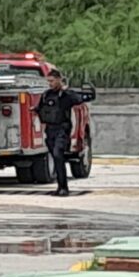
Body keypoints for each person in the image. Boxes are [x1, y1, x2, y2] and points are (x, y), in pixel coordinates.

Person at [34, 69, 87, 197]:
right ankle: (61, 187)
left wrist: (87, 94)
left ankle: (63, 187)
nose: (50, 84)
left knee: (58, 155)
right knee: (57, 159)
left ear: (59, 80)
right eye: (48, 81)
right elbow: (40, 108)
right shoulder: (46, 95)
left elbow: (80, 99)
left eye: (52, 81)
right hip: (50, 130)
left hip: (62, 130)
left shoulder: (66, 95)